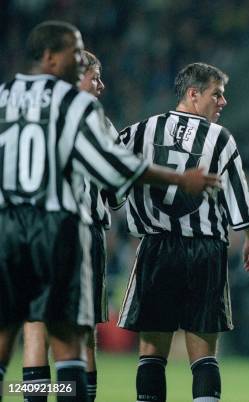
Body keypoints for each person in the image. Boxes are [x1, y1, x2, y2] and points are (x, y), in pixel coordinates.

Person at [0, 21, 219, 402]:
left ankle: (25, 393)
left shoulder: (3, 96)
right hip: (59, 227)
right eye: (76, 52)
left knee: (15, 334)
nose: (80, 59)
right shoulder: (76, 105)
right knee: (72, 339)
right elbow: (115, 171)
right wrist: (179, 180)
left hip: (7, 228)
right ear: (51, 57)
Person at [115, 62, 249, 402]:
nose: (223, 102)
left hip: (156, 250)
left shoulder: (140, 131)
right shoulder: (220, 139)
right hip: (204, 252)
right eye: (217, 94)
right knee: (204, 357)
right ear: (193, 94)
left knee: (152, 354)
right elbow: (241, 206)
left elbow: (112, 181)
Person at [20, 50, 113, 402]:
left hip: (30, 232)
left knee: (35, 330)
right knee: (80, 333)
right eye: (95, 76)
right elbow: (116, 187)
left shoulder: (31, 116)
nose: (101, 86)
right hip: (79, 235)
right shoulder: (97, 121)